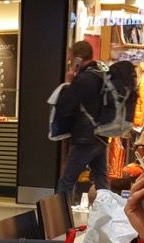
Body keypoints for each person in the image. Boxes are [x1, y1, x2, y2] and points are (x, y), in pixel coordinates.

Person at [53, 40, 109, 199]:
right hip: (101, 136)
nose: (70, 62)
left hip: (85, 138)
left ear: (77, 58)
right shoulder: (102, 75)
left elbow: (65, 107)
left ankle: (59, 213)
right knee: (101, 180)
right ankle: (108, 210)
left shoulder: (83, 79)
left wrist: (69, 83)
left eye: (71, 59)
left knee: (66, 181)